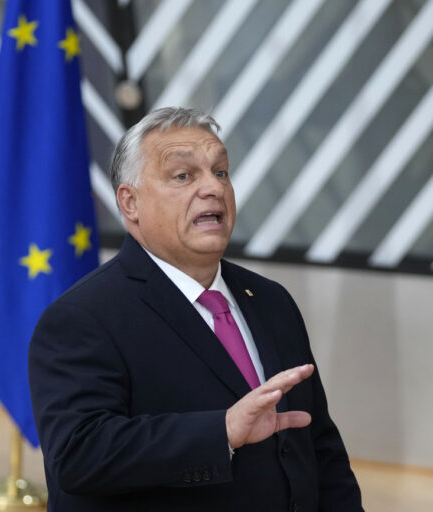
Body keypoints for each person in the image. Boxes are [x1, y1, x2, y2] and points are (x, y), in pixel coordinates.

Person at [28, 107, 363, 511]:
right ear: (130, 203)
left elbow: (319, 446)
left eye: (220, 172)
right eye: (183, 176)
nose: (214, 189)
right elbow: (78, 455)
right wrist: (220, 432)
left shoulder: (272, 300)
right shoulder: (82, 317)